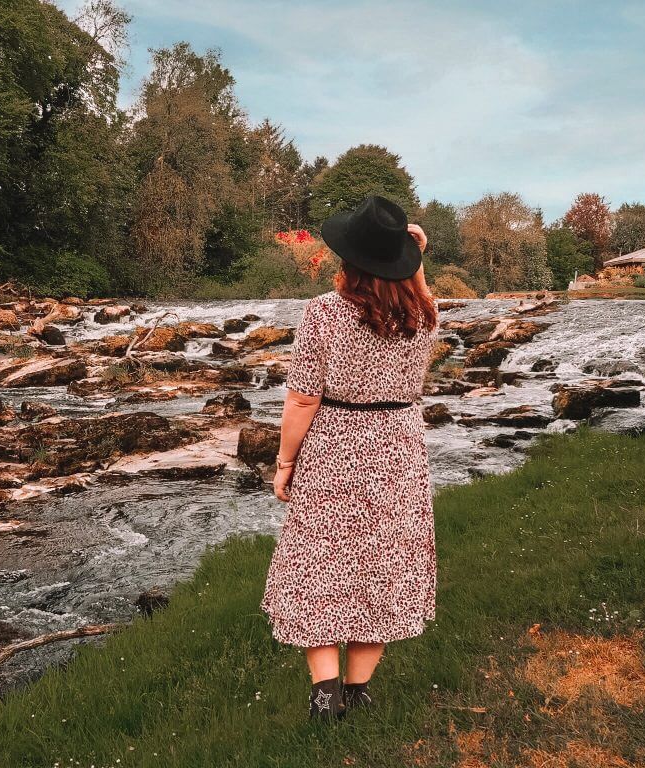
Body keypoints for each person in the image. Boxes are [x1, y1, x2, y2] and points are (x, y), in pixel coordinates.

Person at [260, 194, 439, 720]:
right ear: (401, 263)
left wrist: (284, 462)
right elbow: (421, 295)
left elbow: (301, 398)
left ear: (347, 260)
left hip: (334, 446)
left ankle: (325, 695)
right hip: (398, 450)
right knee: (382, 567)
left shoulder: (321, 314)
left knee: (318, 566)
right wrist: (418, 261)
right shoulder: (424, 317)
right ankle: (360, 694)